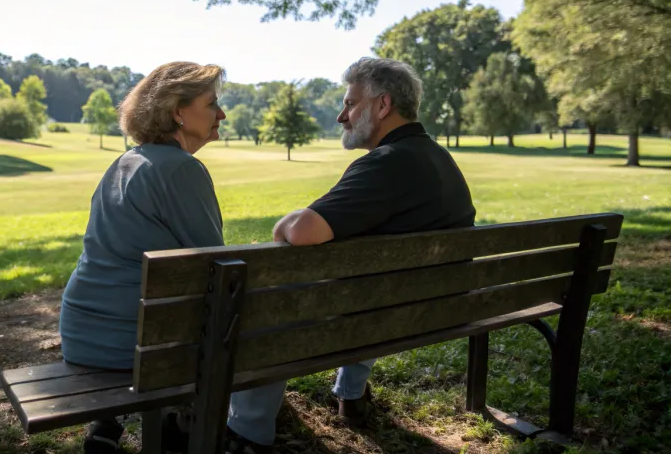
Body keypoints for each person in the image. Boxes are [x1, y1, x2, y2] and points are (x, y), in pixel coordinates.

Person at [224, 57, 476, 453]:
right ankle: (351, 395)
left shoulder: (386, 164)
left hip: (375, 311)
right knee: (366, 284)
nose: (342, 116)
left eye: (350, 103)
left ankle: (247, 433)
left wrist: (283, 222)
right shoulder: (438, 158)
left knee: (265, 287)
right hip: (431, 307)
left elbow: (302, 232)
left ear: (383, 105)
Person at [58, 61, 227, 454]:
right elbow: (218, 266)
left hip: (83, 332)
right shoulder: (182, 170)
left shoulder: (124, 162)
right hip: (135, 346)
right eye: (212, 103)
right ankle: (179, 422)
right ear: (178, 112)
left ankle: (118, 423)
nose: (221, 114)